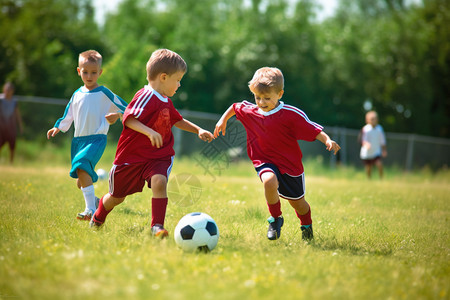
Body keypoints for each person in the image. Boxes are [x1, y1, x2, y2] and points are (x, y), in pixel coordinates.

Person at [89, 49, 214, 238]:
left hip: (158, 156)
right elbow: (129, 120)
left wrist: (198, 130)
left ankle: (157, 226)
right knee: (116, 197)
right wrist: (149, 131)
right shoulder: (145, 95)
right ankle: (98, 216)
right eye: (178, 79)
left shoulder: (166, 100)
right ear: (163, 77)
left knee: (159, 181)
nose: (179, 84)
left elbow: (177, 120)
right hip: (131, 157)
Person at [214, 67, 340, 241]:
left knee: (299, 204)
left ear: (279, 94)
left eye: (267, 98)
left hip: (290, 166)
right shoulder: (251, 110)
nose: (261, 102)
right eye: (257, 97)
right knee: (269, 180)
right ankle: (275, 219)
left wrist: (327, 140)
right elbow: (236, 107)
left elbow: (313, 128)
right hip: (263, 160)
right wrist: (222, 120)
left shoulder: (291, 114)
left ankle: (307, 227)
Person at [47, 50, 128, 221]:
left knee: (82, 165)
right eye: (85, 72)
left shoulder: (104, 92)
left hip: (97, 139)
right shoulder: (77, 94)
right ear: (79, 71)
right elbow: (68, 114)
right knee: (80, 178)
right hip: (78, 142)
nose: (89, 76)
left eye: (93, 72)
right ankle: (96, 202)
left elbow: (126, 108)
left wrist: (117, 115)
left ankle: (90, 210)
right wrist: (58, 127)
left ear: (100, 72)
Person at [359, 110, 387, 179]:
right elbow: (361, 140)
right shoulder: (365, 129)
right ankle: (369, 179)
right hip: (367, 152)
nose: (373, 121)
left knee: (379, 164)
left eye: (375, 119)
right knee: (369, 167)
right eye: (371, 119)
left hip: (376, 151)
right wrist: (366, 144)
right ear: (367, 120)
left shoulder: (380, 129)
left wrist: (384, 150)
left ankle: (381, 178)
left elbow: (382, 141)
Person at [0, 82, 23, 163]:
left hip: (10, 127)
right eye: (6, 89)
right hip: (1, 126)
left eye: (9, 90)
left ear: (12, 91)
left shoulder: (14, 101)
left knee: (12, 145)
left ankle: (11, 162)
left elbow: (17, 114)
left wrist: (20, 126)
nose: (7, 91)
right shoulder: (1, 99)